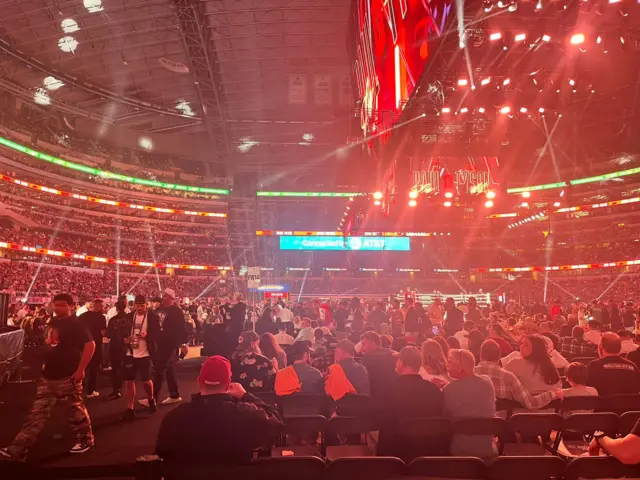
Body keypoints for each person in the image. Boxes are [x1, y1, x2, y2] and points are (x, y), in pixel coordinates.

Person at [0, 293, 95, 460]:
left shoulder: (76, 324)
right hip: (48, 376)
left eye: (62, 305)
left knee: (75, 412)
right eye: (56, 305)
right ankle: (18, 449)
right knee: (36, 414)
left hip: (68, 376)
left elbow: (90, 345)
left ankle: (86, 440)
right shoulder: (53, 322)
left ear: (71, 306)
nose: (58, 308)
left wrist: (81, 370)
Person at [155, 356, 284, 463]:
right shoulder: (245, 414)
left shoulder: (174, 418)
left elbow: (161, 453)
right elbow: (276, 422)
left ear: (199, 381)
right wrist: (245, 396)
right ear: (229, 383)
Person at [376, 346, 445, 459]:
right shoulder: (434, 390)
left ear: (401, 363)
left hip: (394, 455)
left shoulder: (387, 389)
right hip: (428, 453)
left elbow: (379, 418)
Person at [475, 340, 562, 409]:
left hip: (472, 425)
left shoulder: (468, 374)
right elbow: (530, 403)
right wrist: (552, 394)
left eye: (525, 345)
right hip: (501, 426)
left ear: (481, 356)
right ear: (499, 356)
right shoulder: (508, 377)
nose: (520, 346)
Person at [443, 349, 496, 458]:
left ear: (459, 367)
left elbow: (445, 418)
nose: (446, 364)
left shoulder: (448, 390)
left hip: (459, 450)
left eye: (449, 362)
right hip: (487, 448)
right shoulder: (487, 382)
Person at [140, 288, 187, 408]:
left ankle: (153, 398)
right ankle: (174, 394)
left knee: (160, 369)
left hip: (170, 343)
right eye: (163, 296)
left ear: (171, 298)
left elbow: (181, 328)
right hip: (160, 343)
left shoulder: (176, 311)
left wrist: (183, 344)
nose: (163, 298)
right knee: (169, 369)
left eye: (166, 296)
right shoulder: (159, 310)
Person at [122, 295, 160, 420]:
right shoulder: (129, 316)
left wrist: (148, 336)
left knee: (146, 380)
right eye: (137, 306)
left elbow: (158, 334)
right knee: (129, 380)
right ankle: (130, 407)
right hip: (130, 352)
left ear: (146, 305)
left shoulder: (153, 317)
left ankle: (151, 399)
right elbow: (124, 330)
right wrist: (125, 338)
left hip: (145, 353)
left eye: (142, 306)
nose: (139, 308)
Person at [587, 332, 640, 397]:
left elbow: (588, 391)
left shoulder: (593, 366)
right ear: (619, 347)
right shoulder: (633, 366)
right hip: (627, 406)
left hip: (602, 406)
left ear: (601, 348)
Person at [78, 299, 107, 398]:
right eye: (102, 306)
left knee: (83, 367)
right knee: (93, 369)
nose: (103, 308)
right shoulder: (101, 317)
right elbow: (103, 333)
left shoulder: (82, 316)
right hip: (95, 345)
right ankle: (90, 391)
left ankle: (79, 388)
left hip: (82, 344)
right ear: (98, 306)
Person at [360, 331, 398, 399]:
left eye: (363, 344)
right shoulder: (394, 354)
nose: (361, 348)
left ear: (373, 343)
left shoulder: (367, 359)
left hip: (374, 398)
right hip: (394, 396)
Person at [106, 300, 128, 398]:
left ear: (117, 308)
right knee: (123, 368)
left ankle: (116, 389)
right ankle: (122, 388)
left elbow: (108, 334)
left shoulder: (112, 320)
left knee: (115, 368)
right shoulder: (129, 319)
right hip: (126, 347)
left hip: (115, 346)